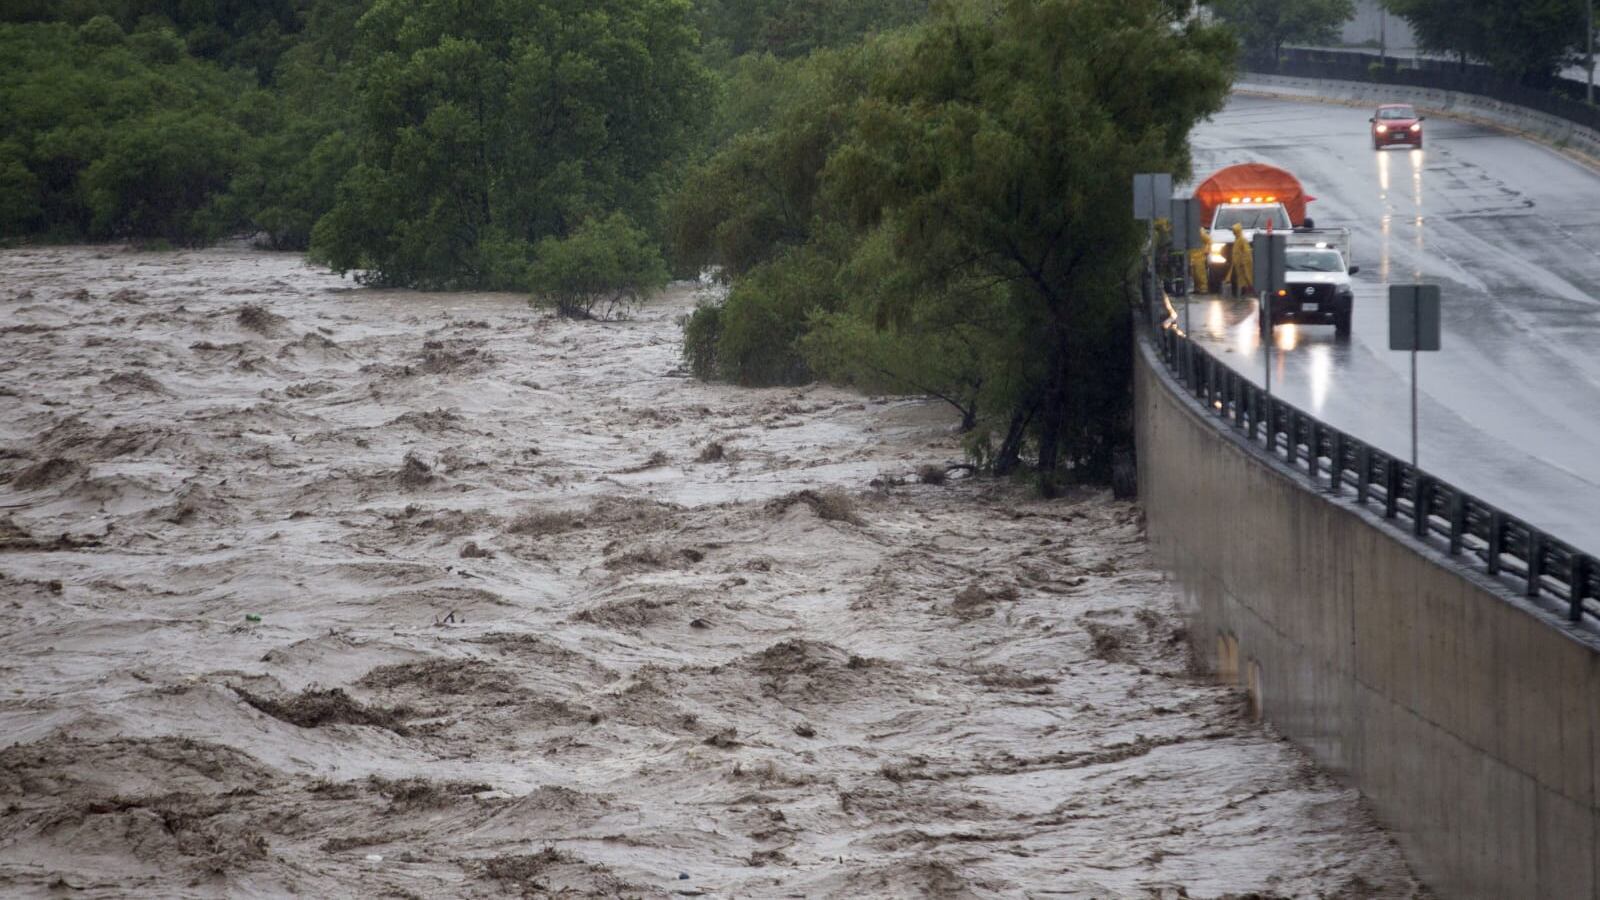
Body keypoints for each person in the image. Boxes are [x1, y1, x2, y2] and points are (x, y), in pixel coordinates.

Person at [1225, 222, 1253, 296]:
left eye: (1234, 230)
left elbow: (1246, 253)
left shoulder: (1242, 240)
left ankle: (1244, 293)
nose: (1233, 232)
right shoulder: (1237, 239)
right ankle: (1239, 294)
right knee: (1238, 279)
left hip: (1241, 265)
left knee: (1244, 279)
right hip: (1236, 264)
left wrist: (1243, 262)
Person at [1188, 226, 1210, 294]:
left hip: (1200, 257)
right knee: (1194, 275)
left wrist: (1206, 251)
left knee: (1200, 274)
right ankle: (1197, 288)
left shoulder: (1200, 231)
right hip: (1193, 257)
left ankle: (1204, 288)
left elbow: (1209, 241)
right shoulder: (1189, 232)